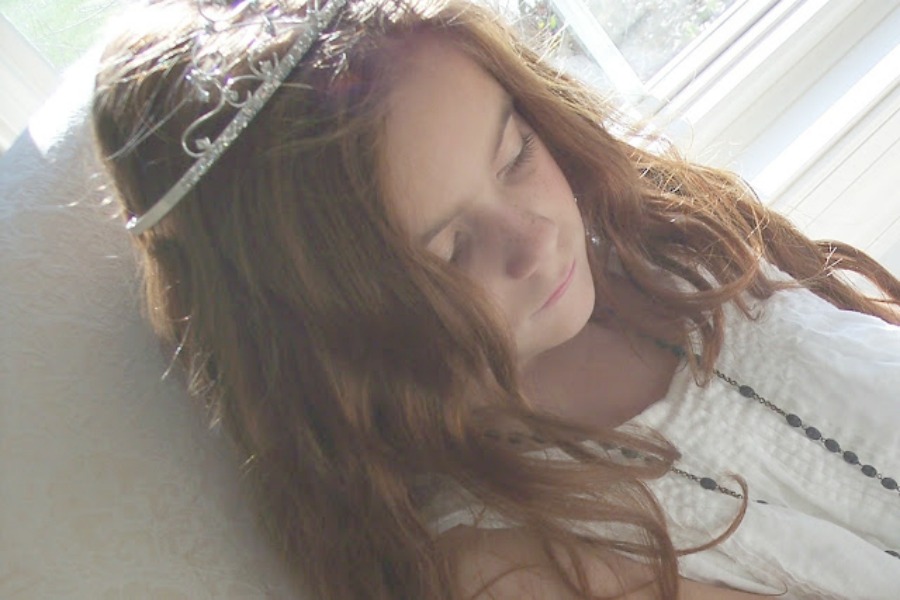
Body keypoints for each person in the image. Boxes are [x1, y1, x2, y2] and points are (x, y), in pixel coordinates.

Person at [91, 0, 900, 598]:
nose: (536, 237)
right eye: (450, 248)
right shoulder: (516, 560)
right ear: (332, 334)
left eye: (515, 153)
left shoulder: (647, 237)